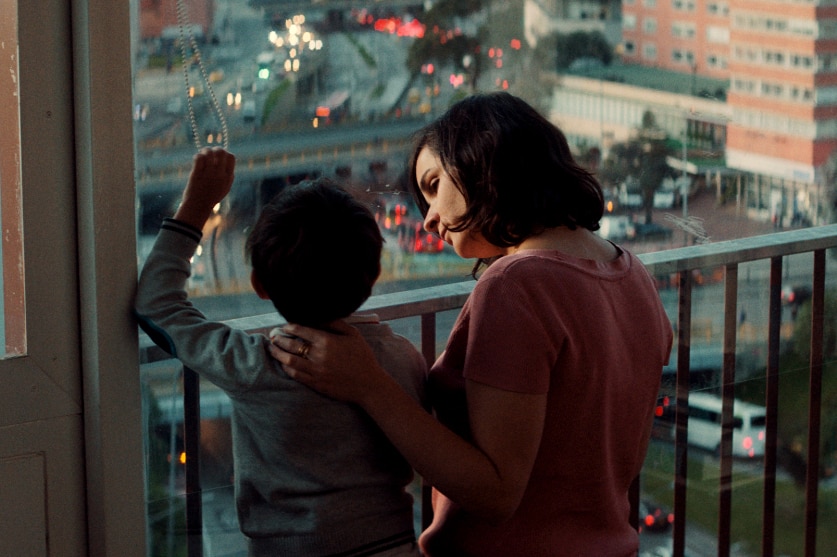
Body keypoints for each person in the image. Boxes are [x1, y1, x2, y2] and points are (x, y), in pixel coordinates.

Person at [269, 92, 674, 556]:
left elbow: (496, 494)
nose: (430, 220)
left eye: (433, 184)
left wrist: (368, 384)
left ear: (482, 157)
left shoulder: (516, 285)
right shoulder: (633, 273)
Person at [134, 147, 427, 557]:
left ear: (259, 285)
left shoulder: (256, 365)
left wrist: (197, 205)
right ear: (375, 273)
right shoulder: (401, 360)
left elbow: (156, 304)